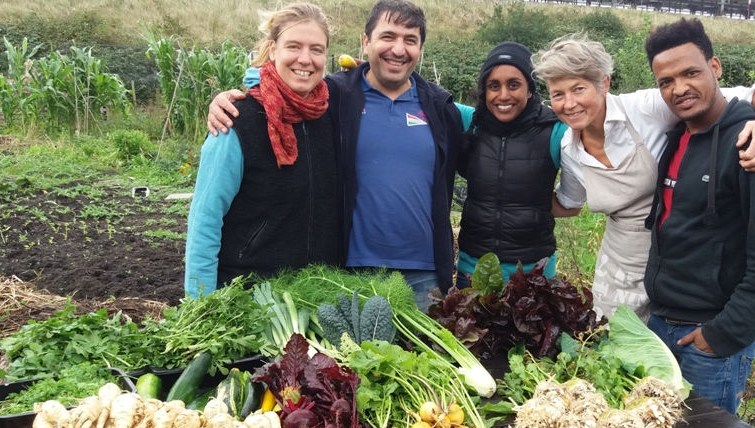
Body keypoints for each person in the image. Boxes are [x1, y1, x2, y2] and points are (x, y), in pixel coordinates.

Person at [206, 0, 468, 311]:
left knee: (423, 359)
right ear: (366, 42)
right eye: (388, 37)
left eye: (410, 40)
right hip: (350, 273)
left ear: (421, 49)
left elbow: (496, 118)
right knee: (359, 360)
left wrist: (540, 117)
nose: (398, 49)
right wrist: (233, 97)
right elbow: (288, 88)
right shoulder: (335, 96)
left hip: (424, 275)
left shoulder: (441, 107)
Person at [534, 35, 755, 322]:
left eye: (578, 89)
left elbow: (745, 93)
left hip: (673, 261)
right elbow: (569, 204)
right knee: (611, 347)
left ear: (603, 83)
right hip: (617, 264)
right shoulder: (570, 147)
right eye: (558, 94)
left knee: (664, 351)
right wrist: (511, 192)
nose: (569, 103)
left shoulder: (644, 108)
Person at [642, 18, 755, 414]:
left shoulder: (754, 145)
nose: (679, 88)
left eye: (690, 72)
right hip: (660, 324)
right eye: (666, 81)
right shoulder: (677, 137)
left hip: (710, 337)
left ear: (716, 68)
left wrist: (722, 334)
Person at [183, 3, 339, 298]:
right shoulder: (236, 119)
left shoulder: (330, 115)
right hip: (247, 298)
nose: (305, 59)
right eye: (294, 46)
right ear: (273, 49)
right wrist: (199, 305)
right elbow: (206, 219)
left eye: (316, 49)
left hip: (315, 298)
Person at [454, 41, 567, 288]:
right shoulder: (469, 121)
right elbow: (426, 97)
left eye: (513, 84)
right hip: (474, 272)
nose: (503, 95)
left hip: (533, 275)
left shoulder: (555, 130)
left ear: (530, 89)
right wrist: (376, 72)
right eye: (494, 86)